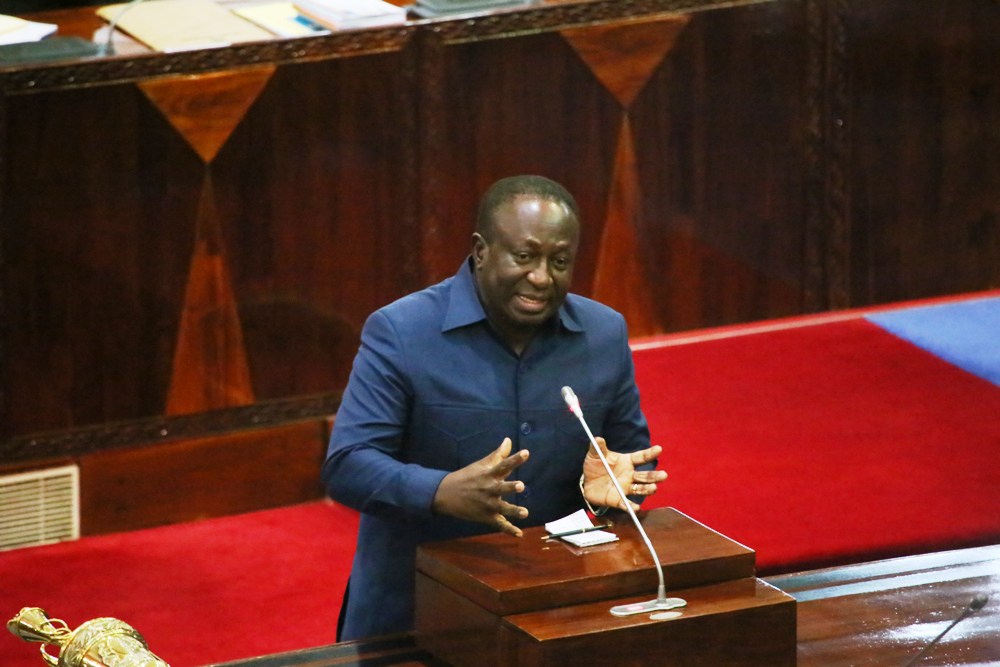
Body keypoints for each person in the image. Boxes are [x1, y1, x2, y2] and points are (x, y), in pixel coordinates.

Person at [322, 175, 667, 641]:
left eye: (559, 261)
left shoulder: (603, 334)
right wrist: (439, 491)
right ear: (481, 251)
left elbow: (628, 461)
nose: (541, 277)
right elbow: (347, 464)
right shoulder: (401, 331)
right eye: (524, 256)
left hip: (554, 613)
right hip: (416, 615)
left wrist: (606, 493)